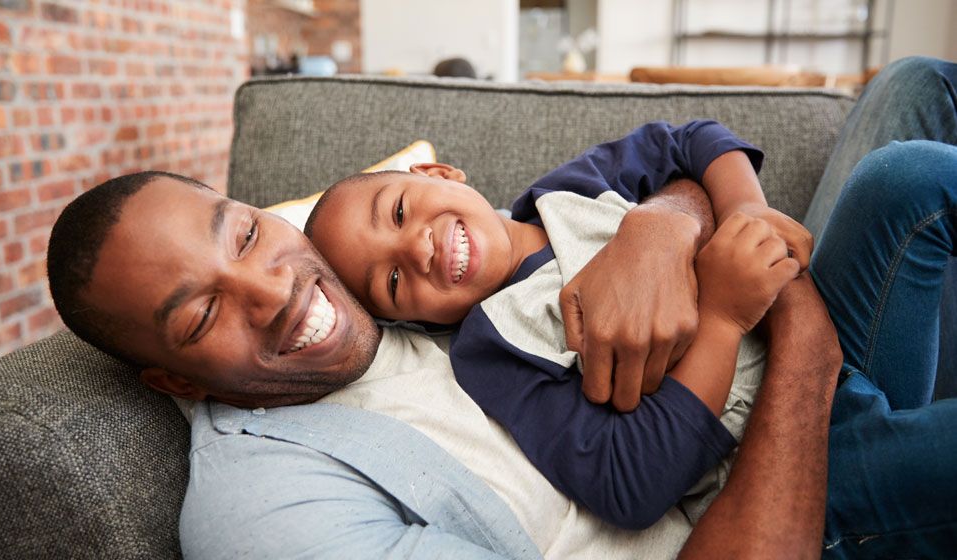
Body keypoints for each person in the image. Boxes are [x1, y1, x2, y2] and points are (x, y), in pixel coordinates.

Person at [44, 56, 956, 558]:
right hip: (794, 469)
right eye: (200, 316)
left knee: (913, 129)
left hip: (791, 343)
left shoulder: (524, 215)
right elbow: (636, 486)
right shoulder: (280, 501)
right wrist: (782, 327)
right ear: (169, 373)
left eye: (243, 236)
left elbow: (679, 149)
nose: (275, 289)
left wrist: (668, 229)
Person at [303, 121, 805, 530]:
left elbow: (692, 139)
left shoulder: (569, 190)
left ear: (439, 173)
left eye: (397, 210)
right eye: (391, 280)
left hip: (807, 297)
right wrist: (721, 319)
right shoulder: (490, 352)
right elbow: (628, 484)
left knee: (885, 182)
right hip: (795, 463)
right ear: (410, 322)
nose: (417, 248)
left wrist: (749, 213)